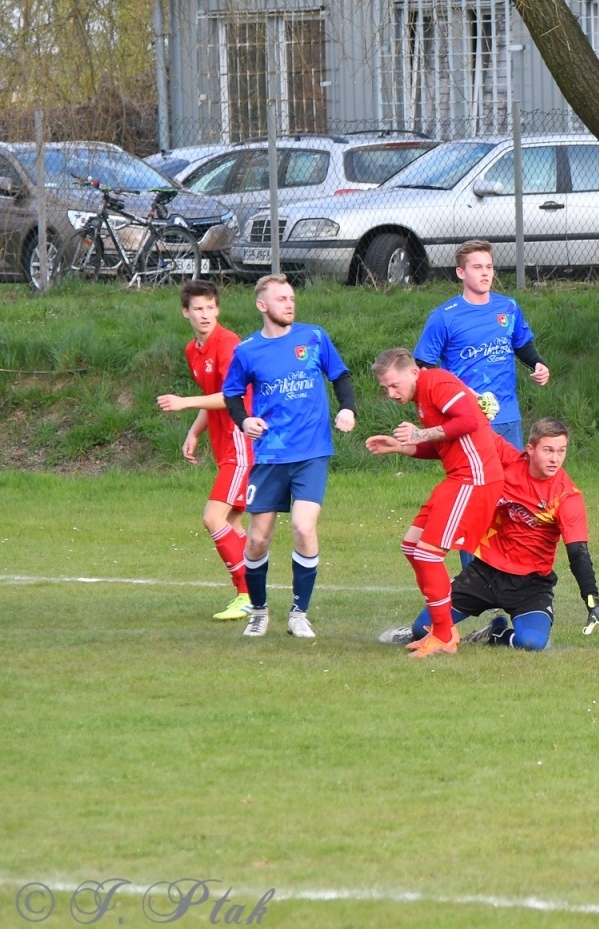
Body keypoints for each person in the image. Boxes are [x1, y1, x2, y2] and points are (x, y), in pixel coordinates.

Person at [372, 417, 599, 652]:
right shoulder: (505, 460)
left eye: (561, 451)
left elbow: (578, 553)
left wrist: (593, 602)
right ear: (530, 449)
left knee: (533, 643)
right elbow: (462, 436)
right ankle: (413, 633)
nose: (555, 459)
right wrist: (405, 445)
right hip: (484, 573)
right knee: (422, 629)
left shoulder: (567, 496)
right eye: (548, 450)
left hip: (530, 585)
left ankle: (495, 634)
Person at [221, 274, 357, 639]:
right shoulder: (248, 350)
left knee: (302, 526)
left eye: (291, 297)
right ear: (262, 305)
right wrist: (245, 419)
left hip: (312, 452)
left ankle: (299, 613)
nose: (289, 303)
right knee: (258, 539)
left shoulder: (313, 337)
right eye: (281, 299)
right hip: (269, 457)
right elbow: (232, 395)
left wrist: (347, 409)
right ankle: (259, 611)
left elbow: (341, 377)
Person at [363, 348, 507, 657]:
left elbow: (469, 420)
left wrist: (420, 432)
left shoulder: (437, 383)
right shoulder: (421, 397)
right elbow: (440, 445)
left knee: (428, 555)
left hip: (475, 478)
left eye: (394, 385)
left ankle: (443, 634)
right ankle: (443, 629)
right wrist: (400, 447)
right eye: (385, 388)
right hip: (458, 477)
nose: (390, 393)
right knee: (411, 546)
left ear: (413, 372)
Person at [155, 279, 255, 621]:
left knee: (213, 518)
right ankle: (256, 592)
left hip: (241, 443)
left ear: (218, 309)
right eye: (198, 308)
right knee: (233, 524)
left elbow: (233, 397)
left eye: (211, 307)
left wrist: (183, 402)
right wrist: (195, 431)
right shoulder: (192, 350)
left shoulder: (228, 344)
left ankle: (247, 595)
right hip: (222, 444)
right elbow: (213, 396)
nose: (205, 314)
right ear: (186, 312)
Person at [414, 240, 549, 450]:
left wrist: (538, 364)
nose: (485, 273)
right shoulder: (444, 317)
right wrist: (454, 396)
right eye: (477, 267)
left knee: (511, 478)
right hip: (466, 416)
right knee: (478, 478)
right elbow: (424, 366)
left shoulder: (508, 306)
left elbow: (521, 343)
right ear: (461, 272)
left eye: (489, 267)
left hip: (507, 413)